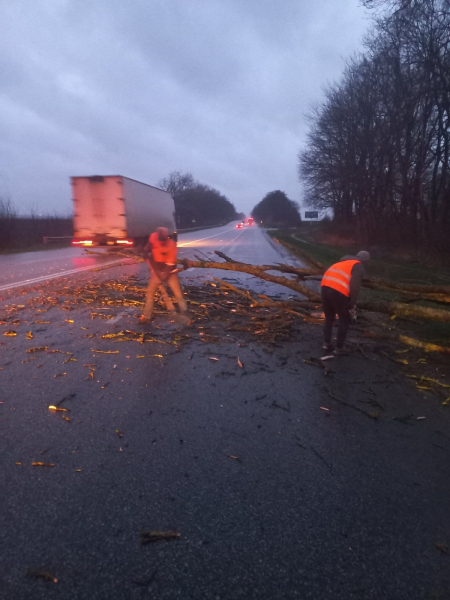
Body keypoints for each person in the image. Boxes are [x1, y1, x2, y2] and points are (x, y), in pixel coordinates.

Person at [320, 250, 370, 355]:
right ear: (365, 260)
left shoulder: (341, 263)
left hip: (324, 289)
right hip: (338, 292)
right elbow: (355, 286)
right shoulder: (358, 265)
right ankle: (339, 348)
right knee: (344, 319)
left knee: (329, 317)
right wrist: (352, 303)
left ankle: (326, 343)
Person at [139, 227, 189, 324]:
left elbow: (169, 265)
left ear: (167, 237)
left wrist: (162, 278)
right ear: (157, 236)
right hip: (156, 271)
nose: (161, 242)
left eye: (163, 240)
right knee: (149, 293)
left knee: (178, 295)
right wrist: (145, 252)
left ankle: (185, 314)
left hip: (170, 272)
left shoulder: (171, 245)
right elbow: (147, 251)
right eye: (159, 240)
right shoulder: (153, 237)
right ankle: (146, 317)